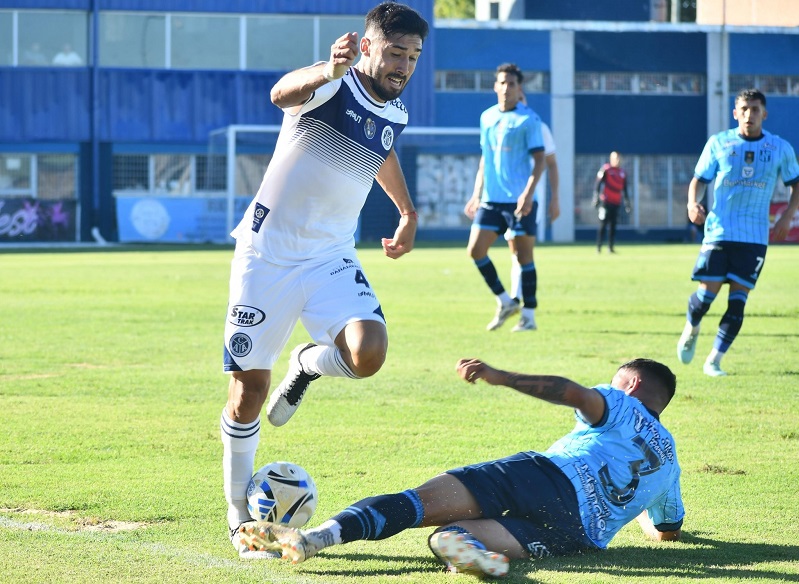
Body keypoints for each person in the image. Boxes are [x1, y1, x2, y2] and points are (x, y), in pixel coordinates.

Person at [220, 2, 429, 559]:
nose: (403, 65)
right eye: (394, 52)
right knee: (248, 395)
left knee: (369, 352)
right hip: (266, 257)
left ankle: (307, 363)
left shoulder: (396, 112)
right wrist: (324, 71)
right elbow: (281, 95)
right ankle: (240, 519)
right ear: (367, 47)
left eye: (412, 57)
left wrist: (406, 211)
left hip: (331, 256)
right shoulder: (329, 86)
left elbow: (377, 150)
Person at [237, 357, 684, 578]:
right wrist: (640, 511)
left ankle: (316, 538)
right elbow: (668, 530)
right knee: (447, 537)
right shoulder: (670, 459)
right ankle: (464, 547)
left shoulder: (622, 404)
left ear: (633, 384)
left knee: (418, 503)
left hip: (545, 476)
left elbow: (572, 393)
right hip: (579, 534)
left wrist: (502, 376)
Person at [677, 88, 799, 377]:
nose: (749, 115)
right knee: (706, 296)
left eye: (755, 109)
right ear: (735, 113)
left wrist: (787, 216)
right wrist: (692, 203)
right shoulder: (719, 143)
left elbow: (796, 185)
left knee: (738, 300)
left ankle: (714, 361)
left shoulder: (780, 148)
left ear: (764, 114)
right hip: (719, 231)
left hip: (755, 236)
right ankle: (692, 327)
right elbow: (699, 180)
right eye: (744, 109)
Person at [464, 63, 547, 332]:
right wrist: (476, 194)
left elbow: (540, 162)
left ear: (519, 88)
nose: (507, 88)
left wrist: (528, 193)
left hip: (520, 202)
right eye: (502, 83)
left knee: (524, 258)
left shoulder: (529, 119)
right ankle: (505, 301)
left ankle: (530, 317)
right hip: (491, 199)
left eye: (512, 84)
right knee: (476, 251)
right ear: (495, 86)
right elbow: (484, 160)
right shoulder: (486, 117)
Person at [505, 118, 559, 310]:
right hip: (504, 198)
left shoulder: (539, 127)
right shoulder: (500, 123)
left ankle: (524, 304)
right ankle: (515, 298)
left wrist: (554, 198)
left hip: (529, 199)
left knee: (524, 252)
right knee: (514, 252)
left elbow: (550, 162)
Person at [593, 151, 631, 253]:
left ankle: (610, 247)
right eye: (615, 158)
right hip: (605, 202)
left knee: (613, 226)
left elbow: (625, 189)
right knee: (603, 225)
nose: (617, 160)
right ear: (611, 159)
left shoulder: (622, 173)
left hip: (616, 202)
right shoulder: (606, 169)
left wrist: (627, 202)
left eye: (618, 158)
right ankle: (599, 247)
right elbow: (598, 184)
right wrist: (596, 198)